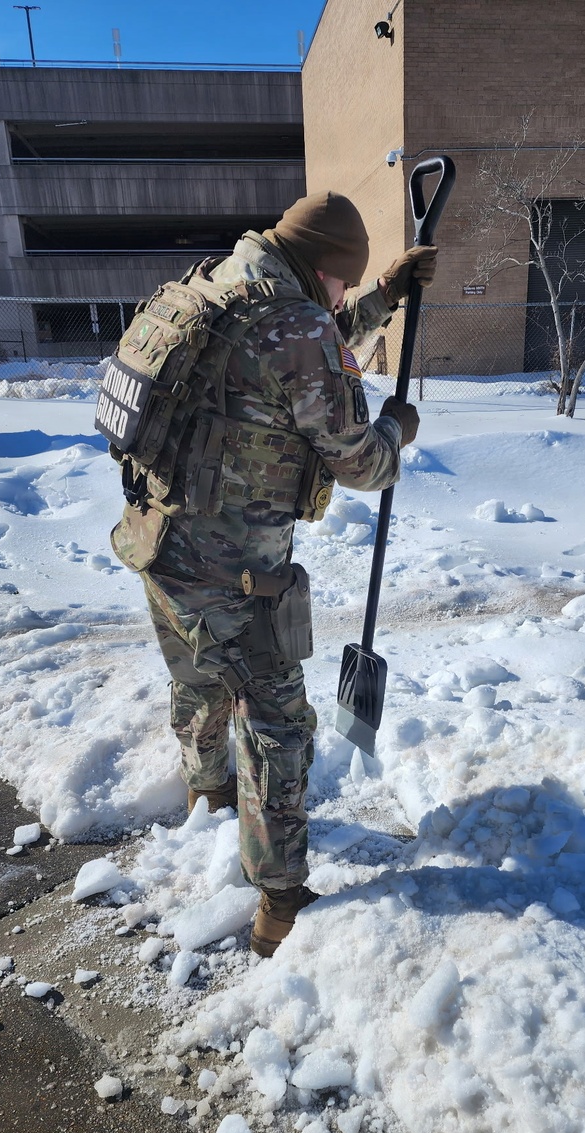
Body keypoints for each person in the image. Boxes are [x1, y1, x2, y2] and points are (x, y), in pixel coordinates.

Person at [124, 191, 437, 956]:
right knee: (278, 728)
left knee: (198, 680)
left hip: (157, 542)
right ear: (325, 269)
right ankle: (281, 903)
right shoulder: (296, 325)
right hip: (237, 576)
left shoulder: (219, 284)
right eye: (344, 284)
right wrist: (397, 429)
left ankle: (208, 793)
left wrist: (385, 296)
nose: (339, 300)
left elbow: (310, 334)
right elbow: (359, 459)